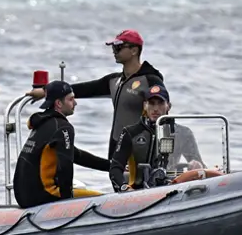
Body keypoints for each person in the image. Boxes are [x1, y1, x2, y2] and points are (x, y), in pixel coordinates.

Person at [26, 29, 164, 164]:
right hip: (116, 146)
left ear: (134, 50)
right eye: (113, 48)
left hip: (141, 147)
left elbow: (163, 112)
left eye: (119, 47)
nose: (114, 51)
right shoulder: (114, 80)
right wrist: (45, 91)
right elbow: (83, 89)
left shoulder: (151, 80)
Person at [13, 80, 109, 209]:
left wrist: (111, 165)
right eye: (71, 99)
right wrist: (67, 204)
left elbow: (76, 155)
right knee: (104, 200)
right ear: (58, 103)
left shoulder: (43, 122)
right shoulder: (63, 127)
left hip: (23, 196)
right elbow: (66, 166)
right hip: (43, 195)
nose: (75, 103)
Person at [108, 84, 173, 191]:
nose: (155, 108)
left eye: (160, 103)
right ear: (145, 106)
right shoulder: (130, 133)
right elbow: (115, 169)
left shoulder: (181, 132)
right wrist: (124, 188)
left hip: (174, 187)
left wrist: (195, 164)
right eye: (151, 103)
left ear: (168, 106)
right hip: (139, 190)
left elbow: (196, 163)